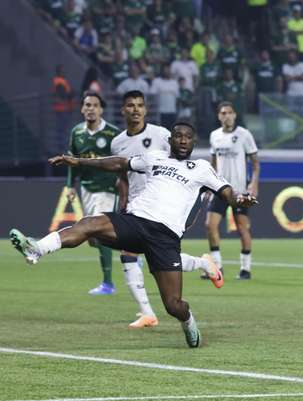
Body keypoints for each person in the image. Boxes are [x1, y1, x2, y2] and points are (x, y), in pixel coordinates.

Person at [11, 122, 256, 348]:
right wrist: (79, 162)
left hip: (165, 236)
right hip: (135, 221)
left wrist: (240, 198)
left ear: (193, 142)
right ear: (170, 140)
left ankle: (188, 321)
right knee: (88, 224)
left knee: (173, 306)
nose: (183, 140)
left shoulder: (201, 168)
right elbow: (119, 163)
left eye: (188, 137)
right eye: (178, 136)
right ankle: (37, 249)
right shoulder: (156, 158)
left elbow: (227, 193)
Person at [111, 90, 224, 328]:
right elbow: (122, 174)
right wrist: (123, 201)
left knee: (142, 254)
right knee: (130, 253)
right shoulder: (117, 142)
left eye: (140, 105)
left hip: (165, 210)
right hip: (137, 206)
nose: (135, 110)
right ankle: (147, 312)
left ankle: (148, 312)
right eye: (130, 105)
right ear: (123, 110)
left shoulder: (162, 135)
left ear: (145, 109)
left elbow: (183, 163)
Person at [66, 92, 120, 295]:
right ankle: (130, 251)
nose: (91, 108)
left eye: (95, 105)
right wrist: (70, 185)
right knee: (92, 240)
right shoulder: (76, 132)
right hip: (87, 187)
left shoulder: (112, 133)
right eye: (87, 105)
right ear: (82, 108)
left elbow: (121, 161)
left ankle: (108, 284)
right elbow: (73, 161)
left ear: (101, 109)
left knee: (99, 233)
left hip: (107, 189)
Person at [205, 102, 260, 279]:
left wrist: (254, 184)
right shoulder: (214, 136)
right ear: (219, 116)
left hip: (239, 191)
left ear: (234, 115)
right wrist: (209, 183)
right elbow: (213, 163)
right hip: (221, 189)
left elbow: (256, 163)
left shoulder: (244, 135)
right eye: (223, 113)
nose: (227, 116)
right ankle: (217, 267)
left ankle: (246, 269)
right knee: (210, 225)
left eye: (229, 112)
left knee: (242, 229)